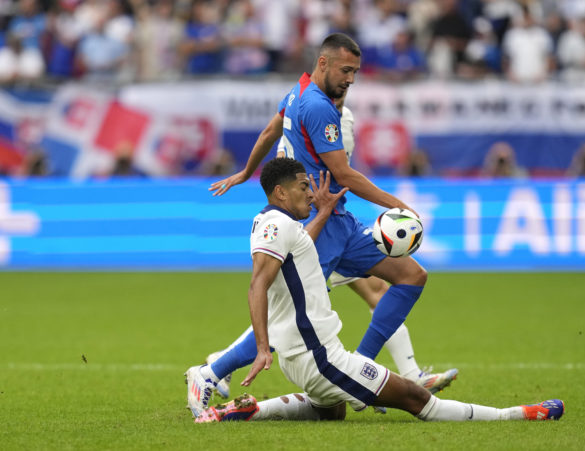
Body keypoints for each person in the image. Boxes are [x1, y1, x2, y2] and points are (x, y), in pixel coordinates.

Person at [190, 157, 565, 423]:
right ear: (280, 193)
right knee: (417, 399)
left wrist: (322, 213)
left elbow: (300, 245)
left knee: (331, 410)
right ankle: (519, 414)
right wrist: (259, 347)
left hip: (302, 356)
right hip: (320, 357)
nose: (311, 191)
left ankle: (249, 410)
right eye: (303, 186)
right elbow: (258, 283)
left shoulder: (286, 226)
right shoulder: (272, 223)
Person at [188, 33, 439, 418]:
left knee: (411, 276)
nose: (351, 79)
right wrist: (400, 205)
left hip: (339, 219)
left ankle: (361, 366)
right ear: (323, 63)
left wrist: (246, 172)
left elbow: (270, 131)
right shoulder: (318, 106)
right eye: (345, 70)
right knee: (291, 318)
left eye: (355, 71)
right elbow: (344, 173)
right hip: (316, 222)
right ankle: (210, 372)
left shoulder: (296, 93)